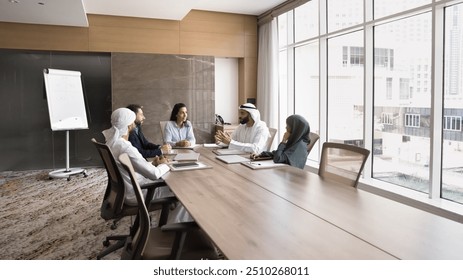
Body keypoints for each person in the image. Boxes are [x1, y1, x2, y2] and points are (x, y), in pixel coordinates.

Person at [102, 107, 192, 224]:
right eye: (133, 121)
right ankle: (172, 228)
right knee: (183, 192)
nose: (135, 124)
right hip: (140, 192)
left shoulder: (112, 143)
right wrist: (166, 164)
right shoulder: (125, 147)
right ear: (129, 125)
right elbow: (154, 174)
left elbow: (133, 165)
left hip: (127, 191)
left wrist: (153, 163)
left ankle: (166, 221)